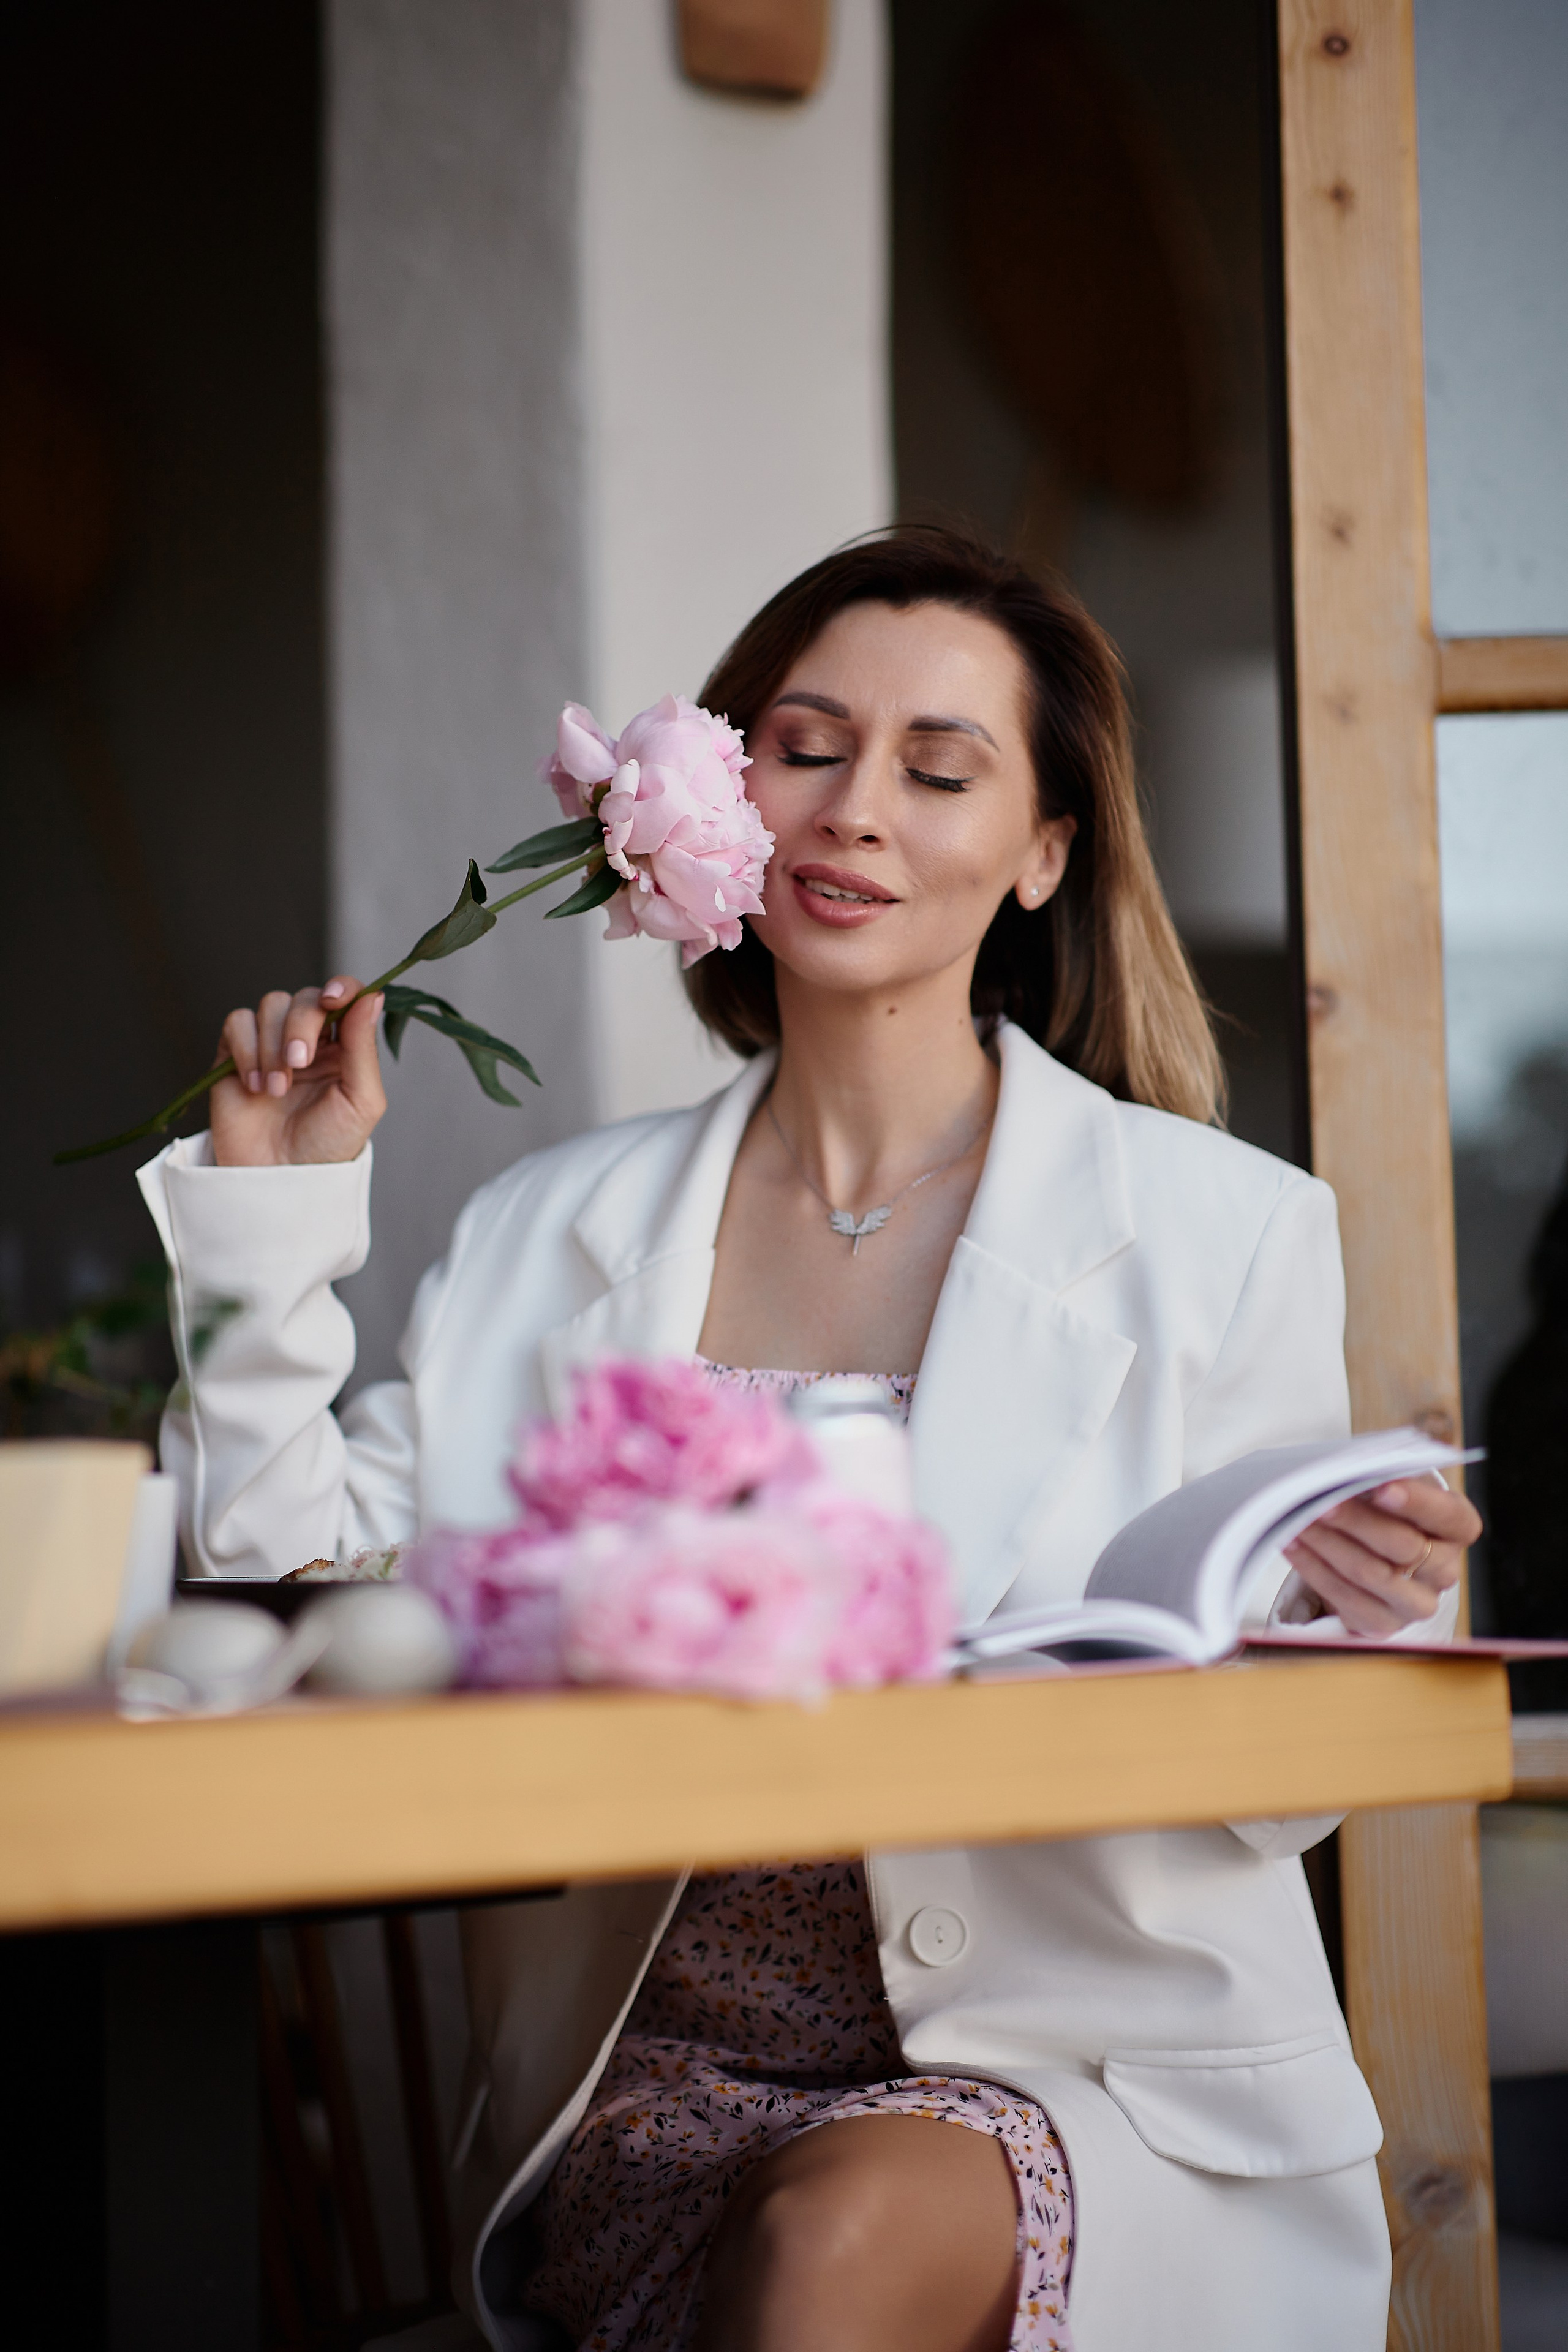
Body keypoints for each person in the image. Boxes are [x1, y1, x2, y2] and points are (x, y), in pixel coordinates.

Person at [139, 529, 1477, 2352]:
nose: (857, 812)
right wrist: (267, 1224)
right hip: (661, 2090)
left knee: (834, 2240)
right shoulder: (553, 1227)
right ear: (702, 800)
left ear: (1043, 857)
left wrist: (1339, 1612)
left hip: (1095, 2089)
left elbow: (1269, 1799)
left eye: (941, 772)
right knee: (795, 2229)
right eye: (804, 747)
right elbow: (289, 1592)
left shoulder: (1224, 1228)